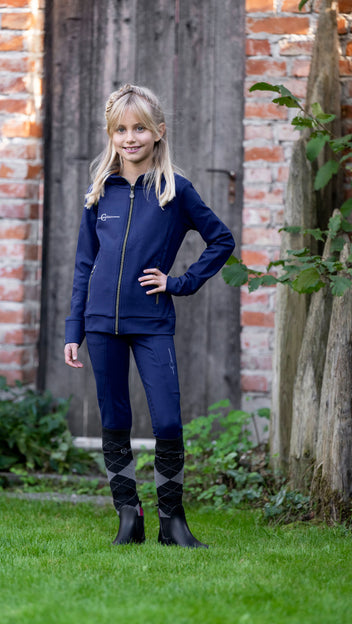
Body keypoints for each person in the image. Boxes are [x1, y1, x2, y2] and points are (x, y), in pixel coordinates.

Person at [64, 84, 235, 548]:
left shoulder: (175, 191)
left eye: (139, 128)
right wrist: (74, 328)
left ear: (158, 131)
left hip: (152, 323)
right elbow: (83, 265)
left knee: (168, 422)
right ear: (111, 135)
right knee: (114, 419)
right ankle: (129, 515)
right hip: (101, 324)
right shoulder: (100, 192)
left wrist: (179, 283)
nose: (130, 137)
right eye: (120, 130)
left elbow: (221, 240)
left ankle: (172, 521)